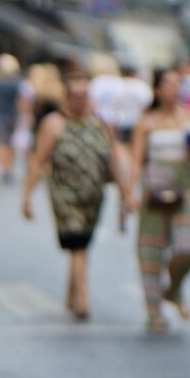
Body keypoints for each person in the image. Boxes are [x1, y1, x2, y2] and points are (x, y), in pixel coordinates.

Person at [21, 72, 131, 320]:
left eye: (85, 95)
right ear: (67, 98)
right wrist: (26, 198)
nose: (81, 101)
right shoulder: (54, 124)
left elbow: (113, 160)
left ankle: (71, 293)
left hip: (93, 194)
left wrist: (125, 194)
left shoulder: (100, 123)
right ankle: (83, 298)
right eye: (76, 96)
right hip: (65, 194)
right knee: (77, 240)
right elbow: (38, 161)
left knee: (81, 243)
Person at [129, 68, 190, 332]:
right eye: (169, 84)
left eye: (177, 84)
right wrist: (129, 193)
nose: (174, 89)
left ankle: (173, 289)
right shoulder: (146, 121)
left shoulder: (189, 117)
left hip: (183, 187)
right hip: (154, 189)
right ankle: (153, 311)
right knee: (150, 250)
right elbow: (136, 160)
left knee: (186, 249)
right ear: (158, 90)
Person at [0, 54, 24, 184]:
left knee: (3, 143)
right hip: (13, 115)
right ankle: (9, 167)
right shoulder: (17, 82)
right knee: (11, 143)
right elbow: (20, 101)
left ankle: (4, 168)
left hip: (1, 114)